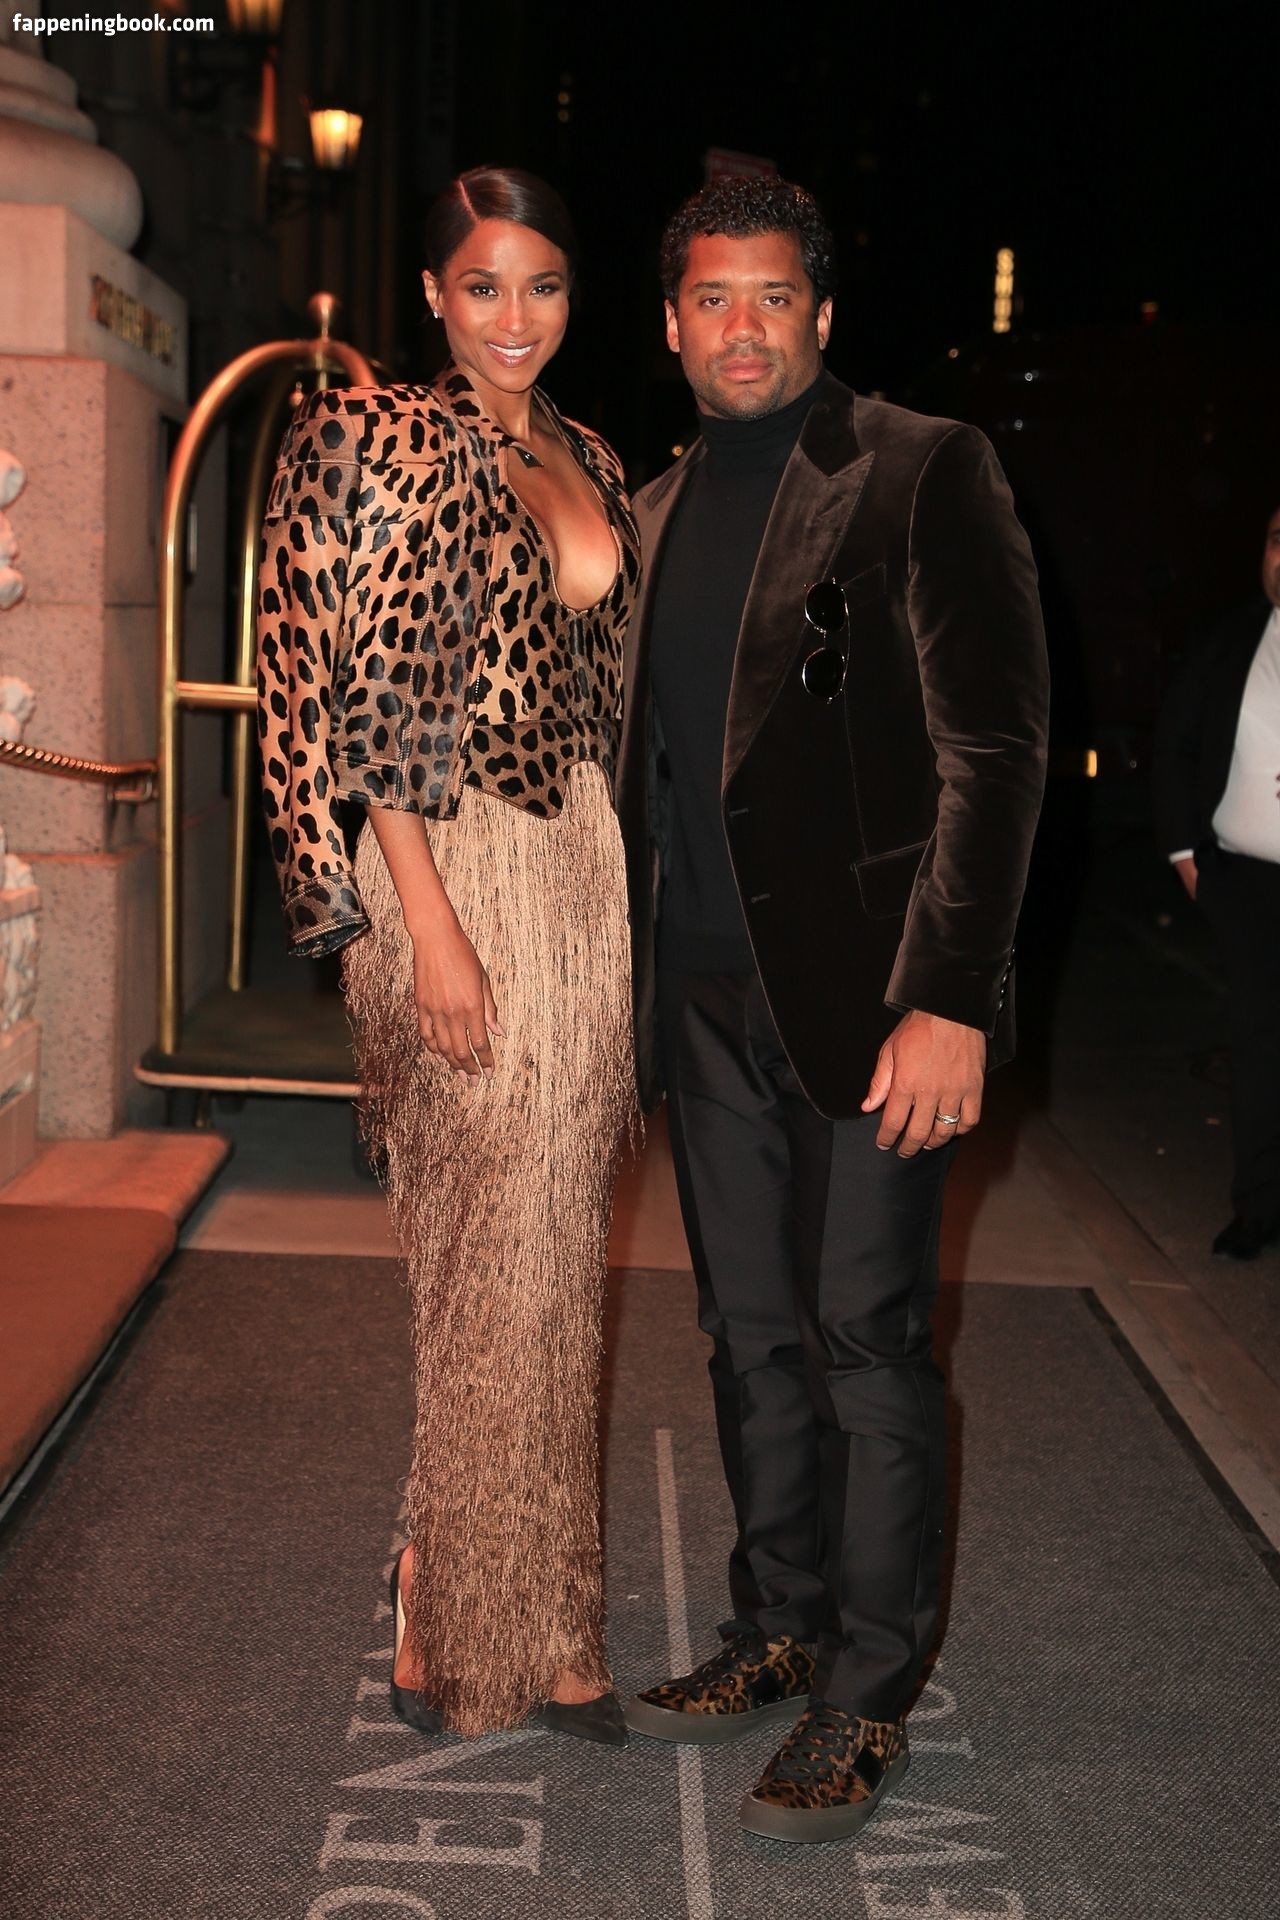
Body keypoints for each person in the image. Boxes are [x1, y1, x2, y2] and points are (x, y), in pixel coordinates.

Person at [616, 178, 1048, 1843]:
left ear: (821, 314)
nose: (744, 327)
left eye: (774, 296)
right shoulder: (649, 509)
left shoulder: (923, 469)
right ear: (672, 322)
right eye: (713, 297)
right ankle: (779, 1622)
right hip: (703, 995)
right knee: (749, 1334)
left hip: (876, 1003)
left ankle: (865, 1692)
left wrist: (950, 997)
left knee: (867, 1343)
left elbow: (994, 754)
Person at [256, 166, 640, 1744]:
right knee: (484, 1249)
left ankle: (546, 1606)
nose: (513, 316)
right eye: (482, 285)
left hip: (583, 867)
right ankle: (445, 1595)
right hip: (448, 863)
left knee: (557, 1246)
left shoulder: (593, 457)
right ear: (433, 293)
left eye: (541, 284)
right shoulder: (377, 434)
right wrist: (430, 932)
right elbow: (358, 700)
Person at [1152, 506, 1280, 1260]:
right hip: (1246, 884)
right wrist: (1184, 855)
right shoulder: (1230, 640)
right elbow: (1175, 742)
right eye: (1278, 540)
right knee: (1259, 1049)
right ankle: (1257, 1209)